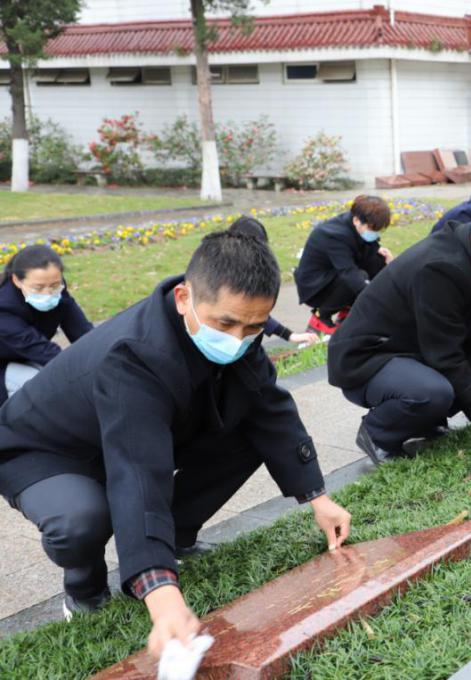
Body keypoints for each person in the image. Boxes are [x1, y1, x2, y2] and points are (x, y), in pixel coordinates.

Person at [0, 231, 352, 659]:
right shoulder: (133, 354)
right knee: (83, 517)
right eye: (225, 323)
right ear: (185, 297)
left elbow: (269, 408)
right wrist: (161, 593)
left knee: (247, 430)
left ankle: (177, 535)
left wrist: (316, 495)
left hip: (134, 433)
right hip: (49, 450)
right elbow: (137, 469)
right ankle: (84, 586)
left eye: (253, 326)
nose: (238, 338)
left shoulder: (236, 332)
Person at [329, 207, 471, 465]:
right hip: (369, 360)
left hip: (413, 348)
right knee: (432, 392)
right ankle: (379, 432)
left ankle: (426, 420)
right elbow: (445, 357)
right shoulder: (439, 269)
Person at [0, 245, 93, 404]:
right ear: (17, 280)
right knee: (43, 386)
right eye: (38, 287)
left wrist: (105, 357)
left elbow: (83, 333)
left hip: (26, 356)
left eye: (54, 285)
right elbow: (42, 351)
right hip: (4, 363)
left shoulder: (56, 287)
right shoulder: (4, 308)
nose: (48, 293)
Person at [294, 195, 393, 335]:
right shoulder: (334, 235)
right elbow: (348, 272)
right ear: (356, 220)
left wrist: (389, 264)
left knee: (378, 260)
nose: (375, 234)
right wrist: (376, 300)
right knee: (357, 277)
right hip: (315, 287)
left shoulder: (358, 225)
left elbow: (370, 251)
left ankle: (349, 309)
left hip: (334, 276)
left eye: (378, 230)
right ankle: (321, 316)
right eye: (372, 229)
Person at [228, 216, 318, 346]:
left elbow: (255, 314)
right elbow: (248, 313)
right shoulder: (221, 277)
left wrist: (290, 335)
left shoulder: (247, 270)